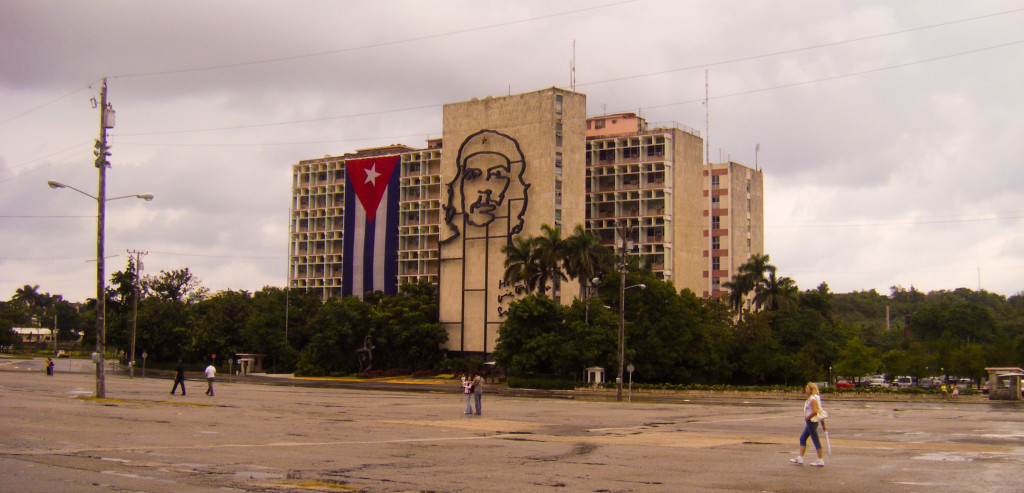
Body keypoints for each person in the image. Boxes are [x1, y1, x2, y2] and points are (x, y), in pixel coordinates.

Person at [791, 382, 826, 467]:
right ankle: (800, 457)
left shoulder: (813, 399)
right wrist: (823, 424)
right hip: (812, 422)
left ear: (811, 390)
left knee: (815, 440)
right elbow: (820, 410)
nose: (806, 390)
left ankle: (820, 460)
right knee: (802, 438)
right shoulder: (816, 398)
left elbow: (815, 411)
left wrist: (808, 417)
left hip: (811, 422)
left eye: (807, 388)